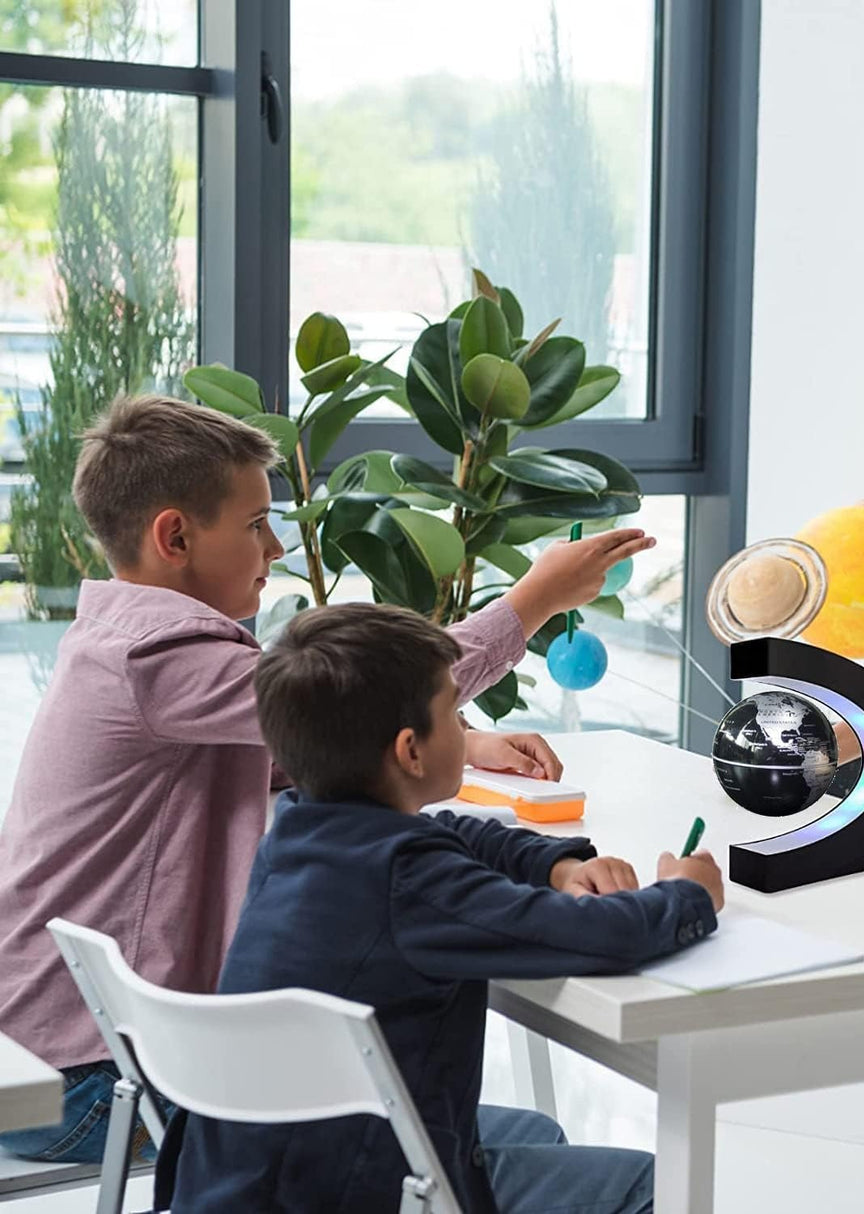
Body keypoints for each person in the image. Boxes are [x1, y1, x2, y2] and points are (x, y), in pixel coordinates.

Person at [0, 394, 654, 1166]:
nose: (275, 547)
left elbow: (298, 746)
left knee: (508, 1137)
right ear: (174, 536)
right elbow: (371, 687)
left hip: (65, 1044)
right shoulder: (161, 656)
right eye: (254, 525)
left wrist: (459, 742)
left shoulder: (118, 636)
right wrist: (534, 600)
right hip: (94, 1082)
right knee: (470, 1135)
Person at [157, 602, 723, 1214]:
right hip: (353, 1191)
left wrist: (553, 864)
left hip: (257, 1172)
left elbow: (451, 830)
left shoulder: (297, 828)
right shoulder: (411, 880)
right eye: (454, 713)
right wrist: (688, 892)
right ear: (410, 752)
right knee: (656, 1185)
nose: (464, 728)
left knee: (536, 1132)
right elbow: (597, 936)